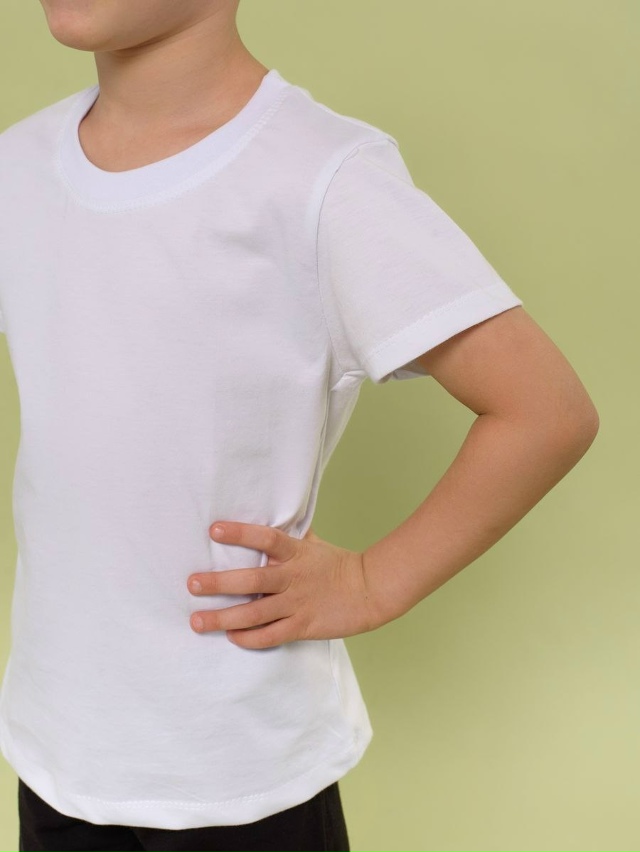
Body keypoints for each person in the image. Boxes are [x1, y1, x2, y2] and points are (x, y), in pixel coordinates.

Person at [0, 1, 599, 850]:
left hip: (240, 764)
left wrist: (374, 582)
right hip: (58, 745)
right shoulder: (18, 165)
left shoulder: (320, 174)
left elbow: (545, 410)